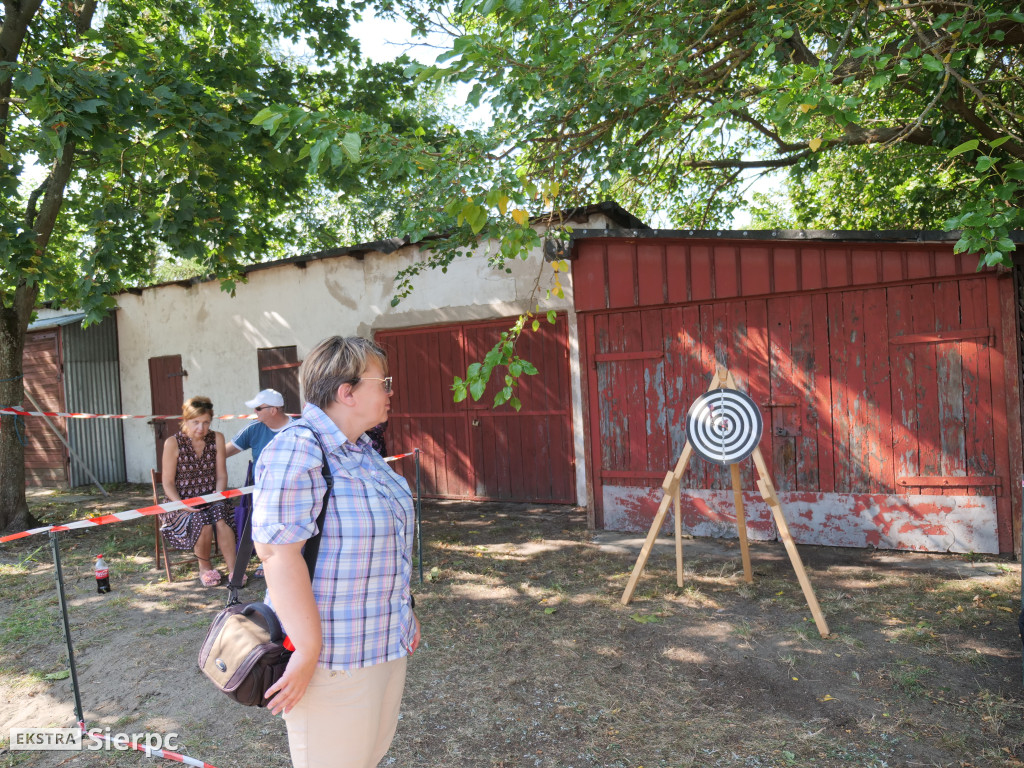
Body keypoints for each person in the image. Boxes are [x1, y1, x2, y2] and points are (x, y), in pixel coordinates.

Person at [252, 336, 419, 768]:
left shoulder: (361, 449)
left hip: (381, 643)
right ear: (347, 392)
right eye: (382, 381)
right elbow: (277, 554)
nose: (390, 391)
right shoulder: (299, 447)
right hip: (332, 658)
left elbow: (382, 544)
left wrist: (405, 610)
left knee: (367, 757)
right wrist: (306, 652)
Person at [159, 396, 237, 587]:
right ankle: (205, 567)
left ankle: (235, 569)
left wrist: (218, 496)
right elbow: (167, 483)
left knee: (220, 515)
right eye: (195, 422)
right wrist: (183, 504)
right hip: (180, 503)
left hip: (213, 496)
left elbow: (221, 475)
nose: (201, 428)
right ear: (185, 420)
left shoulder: (217, 438)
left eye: (206, 423)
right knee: (202, 519)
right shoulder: (173, 443)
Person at [226, 389, 293, 578]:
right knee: (263, 526)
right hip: (263, 492)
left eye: (258, 408)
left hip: (293, 490)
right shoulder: (253, 428)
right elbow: (225, 451)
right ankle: (266, 562)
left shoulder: (298, 428)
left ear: (273, 410)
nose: (255, 412)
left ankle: (289, 561)